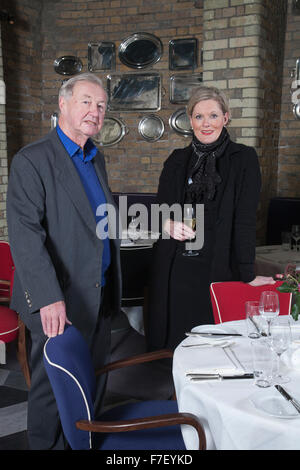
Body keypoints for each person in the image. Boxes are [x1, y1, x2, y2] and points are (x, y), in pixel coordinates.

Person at [6, 73, 121, 449]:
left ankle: (84, 444)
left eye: (101, 105)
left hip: (99, 293)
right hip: (59, 300)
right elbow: (26, 235)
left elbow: (97, 222)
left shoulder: (95, 158)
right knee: (52, 391)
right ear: (64, 105)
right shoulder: (33, 159)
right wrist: (47, 297)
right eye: (87, 101)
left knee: (92, 383)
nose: (95, 111)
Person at [146, 86, 274, 351]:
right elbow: (160, 209)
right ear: (190, 120)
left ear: (225, 118)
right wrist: (166, 223)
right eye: (199, 116)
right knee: (176, 344)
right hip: (176, 268)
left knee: (215, 345)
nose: (206, 124)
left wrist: (247, 273)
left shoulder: (244, 159)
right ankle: (176, 390)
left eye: (213, 116)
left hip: (218, 266)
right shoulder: (176, 160)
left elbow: (245, 220)